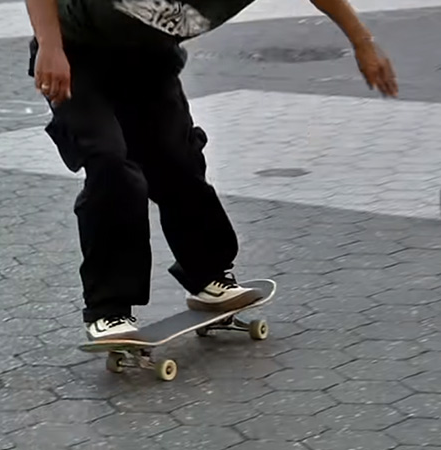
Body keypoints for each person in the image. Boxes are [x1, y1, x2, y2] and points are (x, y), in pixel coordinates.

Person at [24, 0, 398, 341]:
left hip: (150, 63)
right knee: (110, 165)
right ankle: (109, 310)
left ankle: (207, 276)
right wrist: (49, 45)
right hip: (75, 56)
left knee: (178, 164)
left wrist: (362, 41)